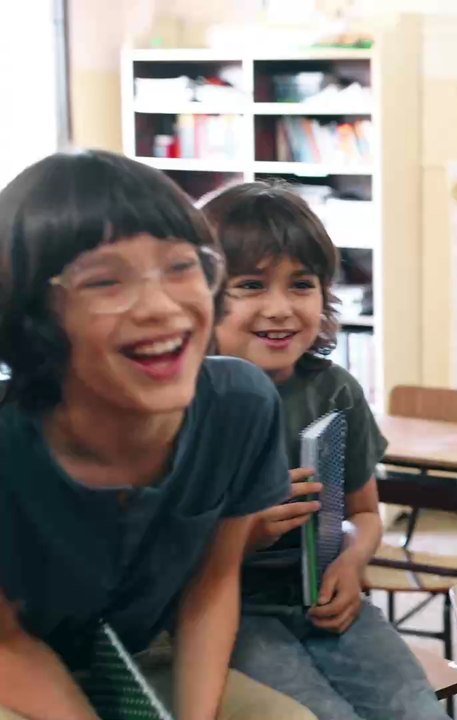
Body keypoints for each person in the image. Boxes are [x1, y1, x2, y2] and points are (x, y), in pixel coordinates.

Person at [0, 150, 312, 719]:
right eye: (104, 281)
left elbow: (210, 589)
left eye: (181, 267)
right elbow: (7, 642)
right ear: (31, 316)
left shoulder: (239, 405)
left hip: (140, 656)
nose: (161, 307)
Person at [204, 182, 448, 720]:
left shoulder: (334, 390)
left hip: (326, 601)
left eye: (301, 285)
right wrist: (247, 535)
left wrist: (353, 560)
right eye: (250, 285)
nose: (280, 308)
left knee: (419, 712)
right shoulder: (189, 400)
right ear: (202, 296)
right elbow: (162, 564)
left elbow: (364, 512)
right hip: (233, 614)